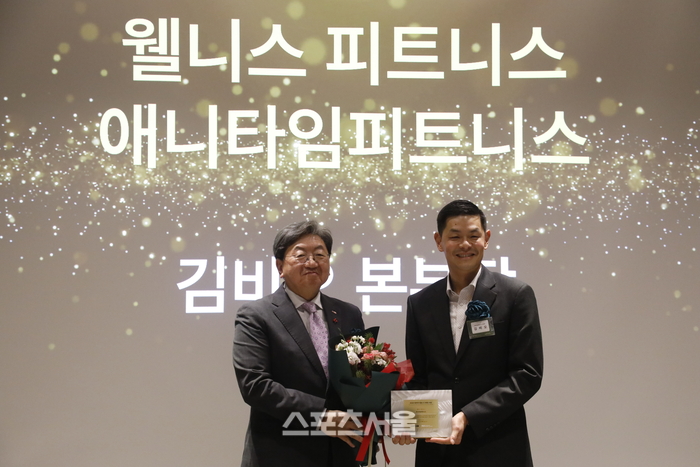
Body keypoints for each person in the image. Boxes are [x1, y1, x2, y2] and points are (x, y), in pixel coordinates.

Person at [396, 200, 544, 467]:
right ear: (439, 241)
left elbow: (527, 374)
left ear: (486, 239)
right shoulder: (420, 303)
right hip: (437, 452)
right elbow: (420, 376)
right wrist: (405, 418)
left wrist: (468, 416)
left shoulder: (515, 295)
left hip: (498, 447)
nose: (465, 244)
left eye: (473, 236)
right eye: (455, 236)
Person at [233, 220, 365, 467]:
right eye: (301, 255)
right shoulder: (256, 315)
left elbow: (361, 378)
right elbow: (255, 386)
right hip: (281, 454)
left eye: (320, 255)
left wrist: (382, 415)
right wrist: (321, 415)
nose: (312, 262)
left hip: (341, 454)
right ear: (280, 266)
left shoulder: (348, 314)